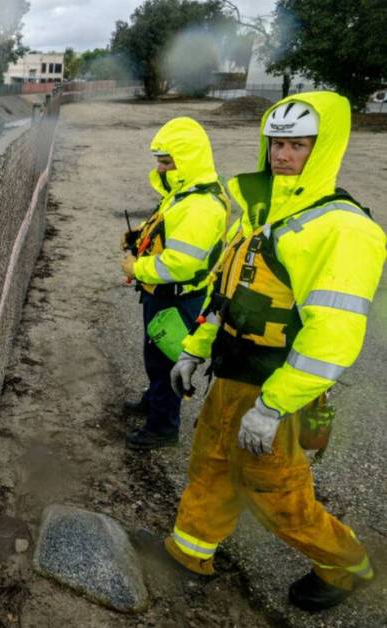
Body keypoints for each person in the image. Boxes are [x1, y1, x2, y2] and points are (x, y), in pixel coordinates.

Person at [166, 92, 384, 612]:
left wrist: (274, 406)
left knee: (277, 491)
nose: (282, 155)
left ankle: (347, 566)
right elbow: (229, 294)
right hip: (232, 377)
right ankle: (189, 551)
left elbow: (331, 337)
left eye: (298, 145)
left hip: (274, 387)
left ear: (324, 147)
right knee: (213, 466)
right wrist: (194, 350)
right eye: (276, 143)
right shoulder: (261, 213)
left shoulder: (340, 229)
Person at [120, 117, 228, 450]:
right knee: (155, 356)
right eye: (159, 162)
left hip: (177, 300)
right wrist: (140, 235)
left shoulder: (200, 206)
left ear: (188, 160)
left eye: (167, 162)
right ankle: (154, 401)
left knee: (166, 361)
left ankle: (162, 427)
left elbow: (179, 264)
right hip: (163, 297)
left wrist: (137, 267)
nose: (161, 169)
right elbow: (168, 226)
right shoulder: (186, 194)